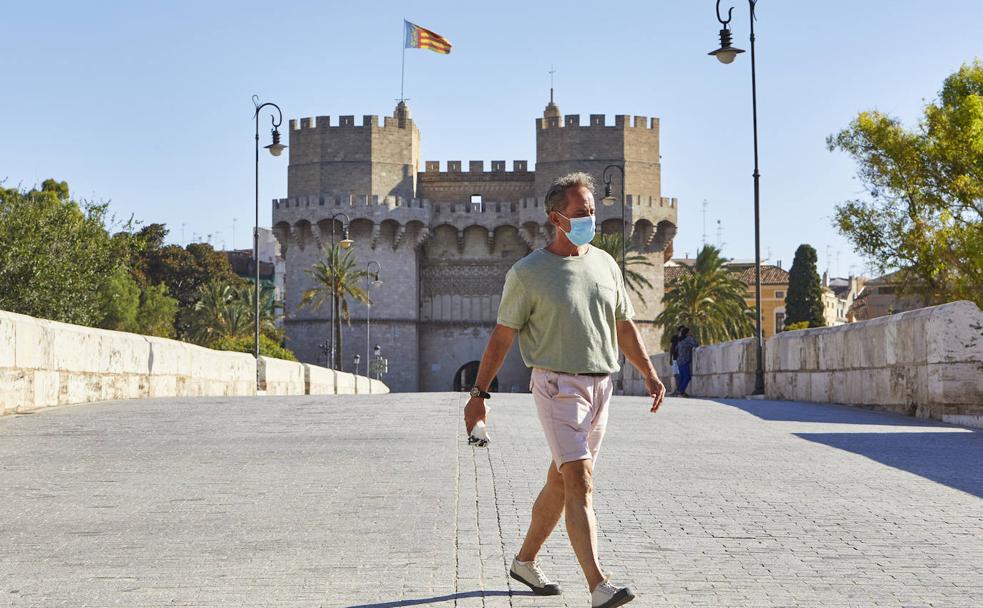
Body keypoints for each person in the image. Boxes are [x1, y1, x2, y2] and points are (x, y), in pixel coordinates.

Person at [463, 172, 666, 608]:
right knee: (580, 480)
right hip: (556, 385)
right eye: (580, 212)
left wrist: (648, 371)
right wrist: (479, 395)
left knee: (560, 480)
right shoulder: (528, 273)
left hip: (601, 387)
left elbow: (623, 323)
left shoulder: (606, 264)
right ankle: (599, 584)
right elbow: (502, 337)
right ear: (556, 217)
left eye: (592, 210)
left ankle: (524, 561)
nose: (589, 218)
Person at [675, 327, 699, 398]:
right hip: (685, 360)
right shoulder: (689, 338)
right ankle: (681, 392)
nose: (691, 332)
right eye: (690, 331)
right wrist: (692, 337)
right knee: (687, 377)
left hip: (679, 360)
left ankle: (680, 391)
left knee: (682, 377)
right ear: (687, 333)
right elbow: (696, 344)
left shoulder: (680, 340)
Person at [669, 326, 684, 396]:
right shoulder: (674, 338)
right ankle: (677, 390)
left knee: (680, 375)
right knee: (676, 375)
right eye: (681, 330)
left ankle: (679, 390)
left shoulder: (685, 338)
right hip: (675, 358)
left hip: (682, 359)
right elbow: (671, 348)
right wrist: (670, 358)